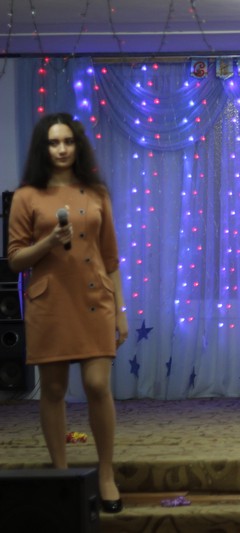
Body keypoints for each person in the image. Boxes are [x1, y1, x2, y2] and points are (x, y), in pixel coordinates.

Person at [7, 113, 129, 513]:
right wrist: (48, 242)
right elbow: (15, 259)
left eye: (68, 141)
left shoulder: (96, 193)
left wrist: (121, 313)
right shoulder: (26, 196)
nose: (61, 149)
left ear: (78, 146)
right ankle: (60, 477)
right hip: (50, 304)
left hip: (95, 299)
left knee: (97, 384)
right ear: (43, 149)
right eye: (53, 142)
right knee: (54, 390)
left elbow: (111, 258)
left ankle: (106, 473)